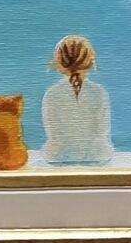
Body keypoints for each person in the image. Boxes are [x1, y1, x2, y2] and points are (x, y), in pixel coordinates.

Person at [41, 35, 113, 165]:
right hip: (96, 155)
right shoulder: (100, 92)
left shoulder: (51, 94)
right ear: (91, 62)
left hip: (59, 156)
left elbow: (54, 133)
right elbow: (101, 131)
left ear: (59, 62)